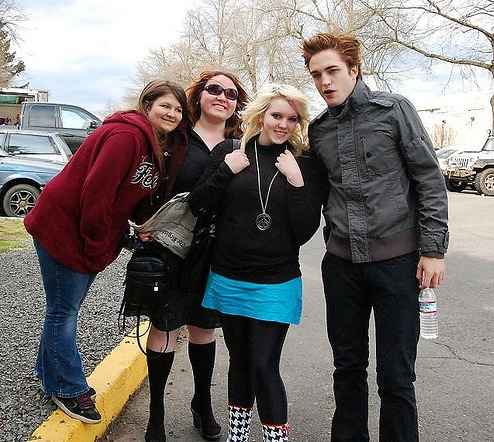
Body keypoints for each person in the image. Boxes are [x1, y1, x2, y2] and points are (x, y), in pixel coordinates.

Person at [300, 32, 450, 441]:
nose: (325, 81)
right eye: (316, 74)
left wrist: (433, 250)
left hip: (398, 263)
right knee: (347, 367)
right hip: (342, 266)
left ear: (353, 69)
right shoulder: (319, 130)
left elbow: (428, 179)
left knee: (396, 375)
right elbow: (316, 190)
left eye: (332, 70)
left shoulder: (394, 110)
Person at [23, 80, 190, 425]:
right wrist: (97, 244)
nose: (172, 114)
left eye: (178, 109)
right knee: (63, 310)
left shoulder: (154, 145)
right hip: (64, 227)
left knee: (64, 307)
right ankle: (68, 388)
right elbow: (96, 194)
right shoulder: (126, 136)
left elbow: (132, 197)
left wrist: (131, 233)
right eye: (165, 106)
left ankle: (49, 372)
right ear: (147, 105)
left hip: (87, 233)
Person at [190, 83, 328, 442]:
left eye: (291, 119)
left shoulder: (302, 163)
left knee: (264, 365)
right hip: (229, 276)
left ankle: (275, 438)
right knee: (239, 361)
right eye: (276, 115)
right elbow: (198, 204)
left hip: (276, 282)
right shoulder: (230, 150)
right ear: (261, 115)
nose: (283, 124)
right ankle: (237, 436)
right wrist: (225, 171)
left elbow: (304, 231)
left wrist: (296, 182)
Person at [141, 70, 250, 442]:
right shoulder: (177, 137)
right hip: (170, 249)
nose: (222, 97)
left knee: (204, 328)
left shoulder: (243, 144)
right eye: (214, 89)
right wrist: (142, 222)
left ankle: (202, 404)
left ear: (237, 104)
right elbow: (147, 181)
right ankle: (156, 416)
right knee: (165, 327)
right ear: (199, 95)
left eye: (231, 93)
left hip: (215, 252)